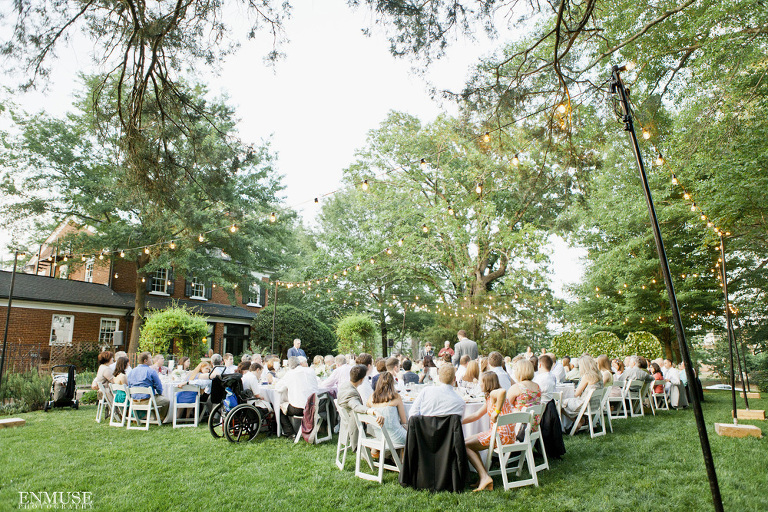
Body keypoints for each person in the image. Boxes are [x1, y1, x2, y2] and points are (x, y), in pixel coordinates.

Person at [462, 372, 513, 492]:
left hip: (501, 435)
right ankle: (483, 476)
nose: (479, 384)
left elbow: (502, 392)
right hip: (501, 434)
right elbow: (476, 415)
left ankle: (484, 477)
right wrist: (458, 421)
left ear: (487, 383)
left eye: (481, 382)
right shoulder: (489, 397)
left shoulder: (495, 392)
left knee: (465, 445)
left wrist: (497, 411)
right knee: (465, 442)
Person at [337, 365, 384, 449]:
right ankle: (381, 451)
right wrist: (373, 411)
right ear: (362, 379)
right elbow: (356, 406)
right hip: (356, 427)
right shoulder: (351, 393)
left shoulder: (345, 385)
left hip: (346, 423)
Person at [275, 356, 319, 437]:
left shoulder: (290, 374)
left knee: (279, 407)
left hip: (300, 409)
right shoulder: (310, 370)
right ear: (299, 363)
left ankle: (290, 432)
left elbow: (279, 388)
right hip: (314, 406)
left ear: (289, 366)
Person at [367, 372, 407, 450]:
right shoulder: (396, 397)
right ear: (392, 384)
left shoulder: (371, 397)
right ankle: (403, 458)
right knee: (415, 436)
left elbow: (367, 409)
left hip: (380, 436)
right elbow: (404, 421)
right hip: (396, 437)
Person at [561, 355, 602, 430]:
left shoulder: (587, 376)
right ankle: (580, 421)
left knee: (559, 403)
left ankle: (577, 421)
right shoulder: (599, 376)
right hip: (594, 404)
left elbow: (576, 394)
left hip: (583, 404)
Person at [127, 352, 170, 421]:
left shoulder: (132, 371)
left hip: (134, 400)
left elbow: (129, 386)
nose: (152, 360)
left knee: (155, 398)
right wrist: (160, 393)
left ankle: (152, 417)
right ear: (145, 361)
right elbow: (159, 387)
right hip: (147, 400)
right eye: (150, 358)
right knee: (166, 401)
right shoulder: (151, 371)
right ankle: (160, 419)